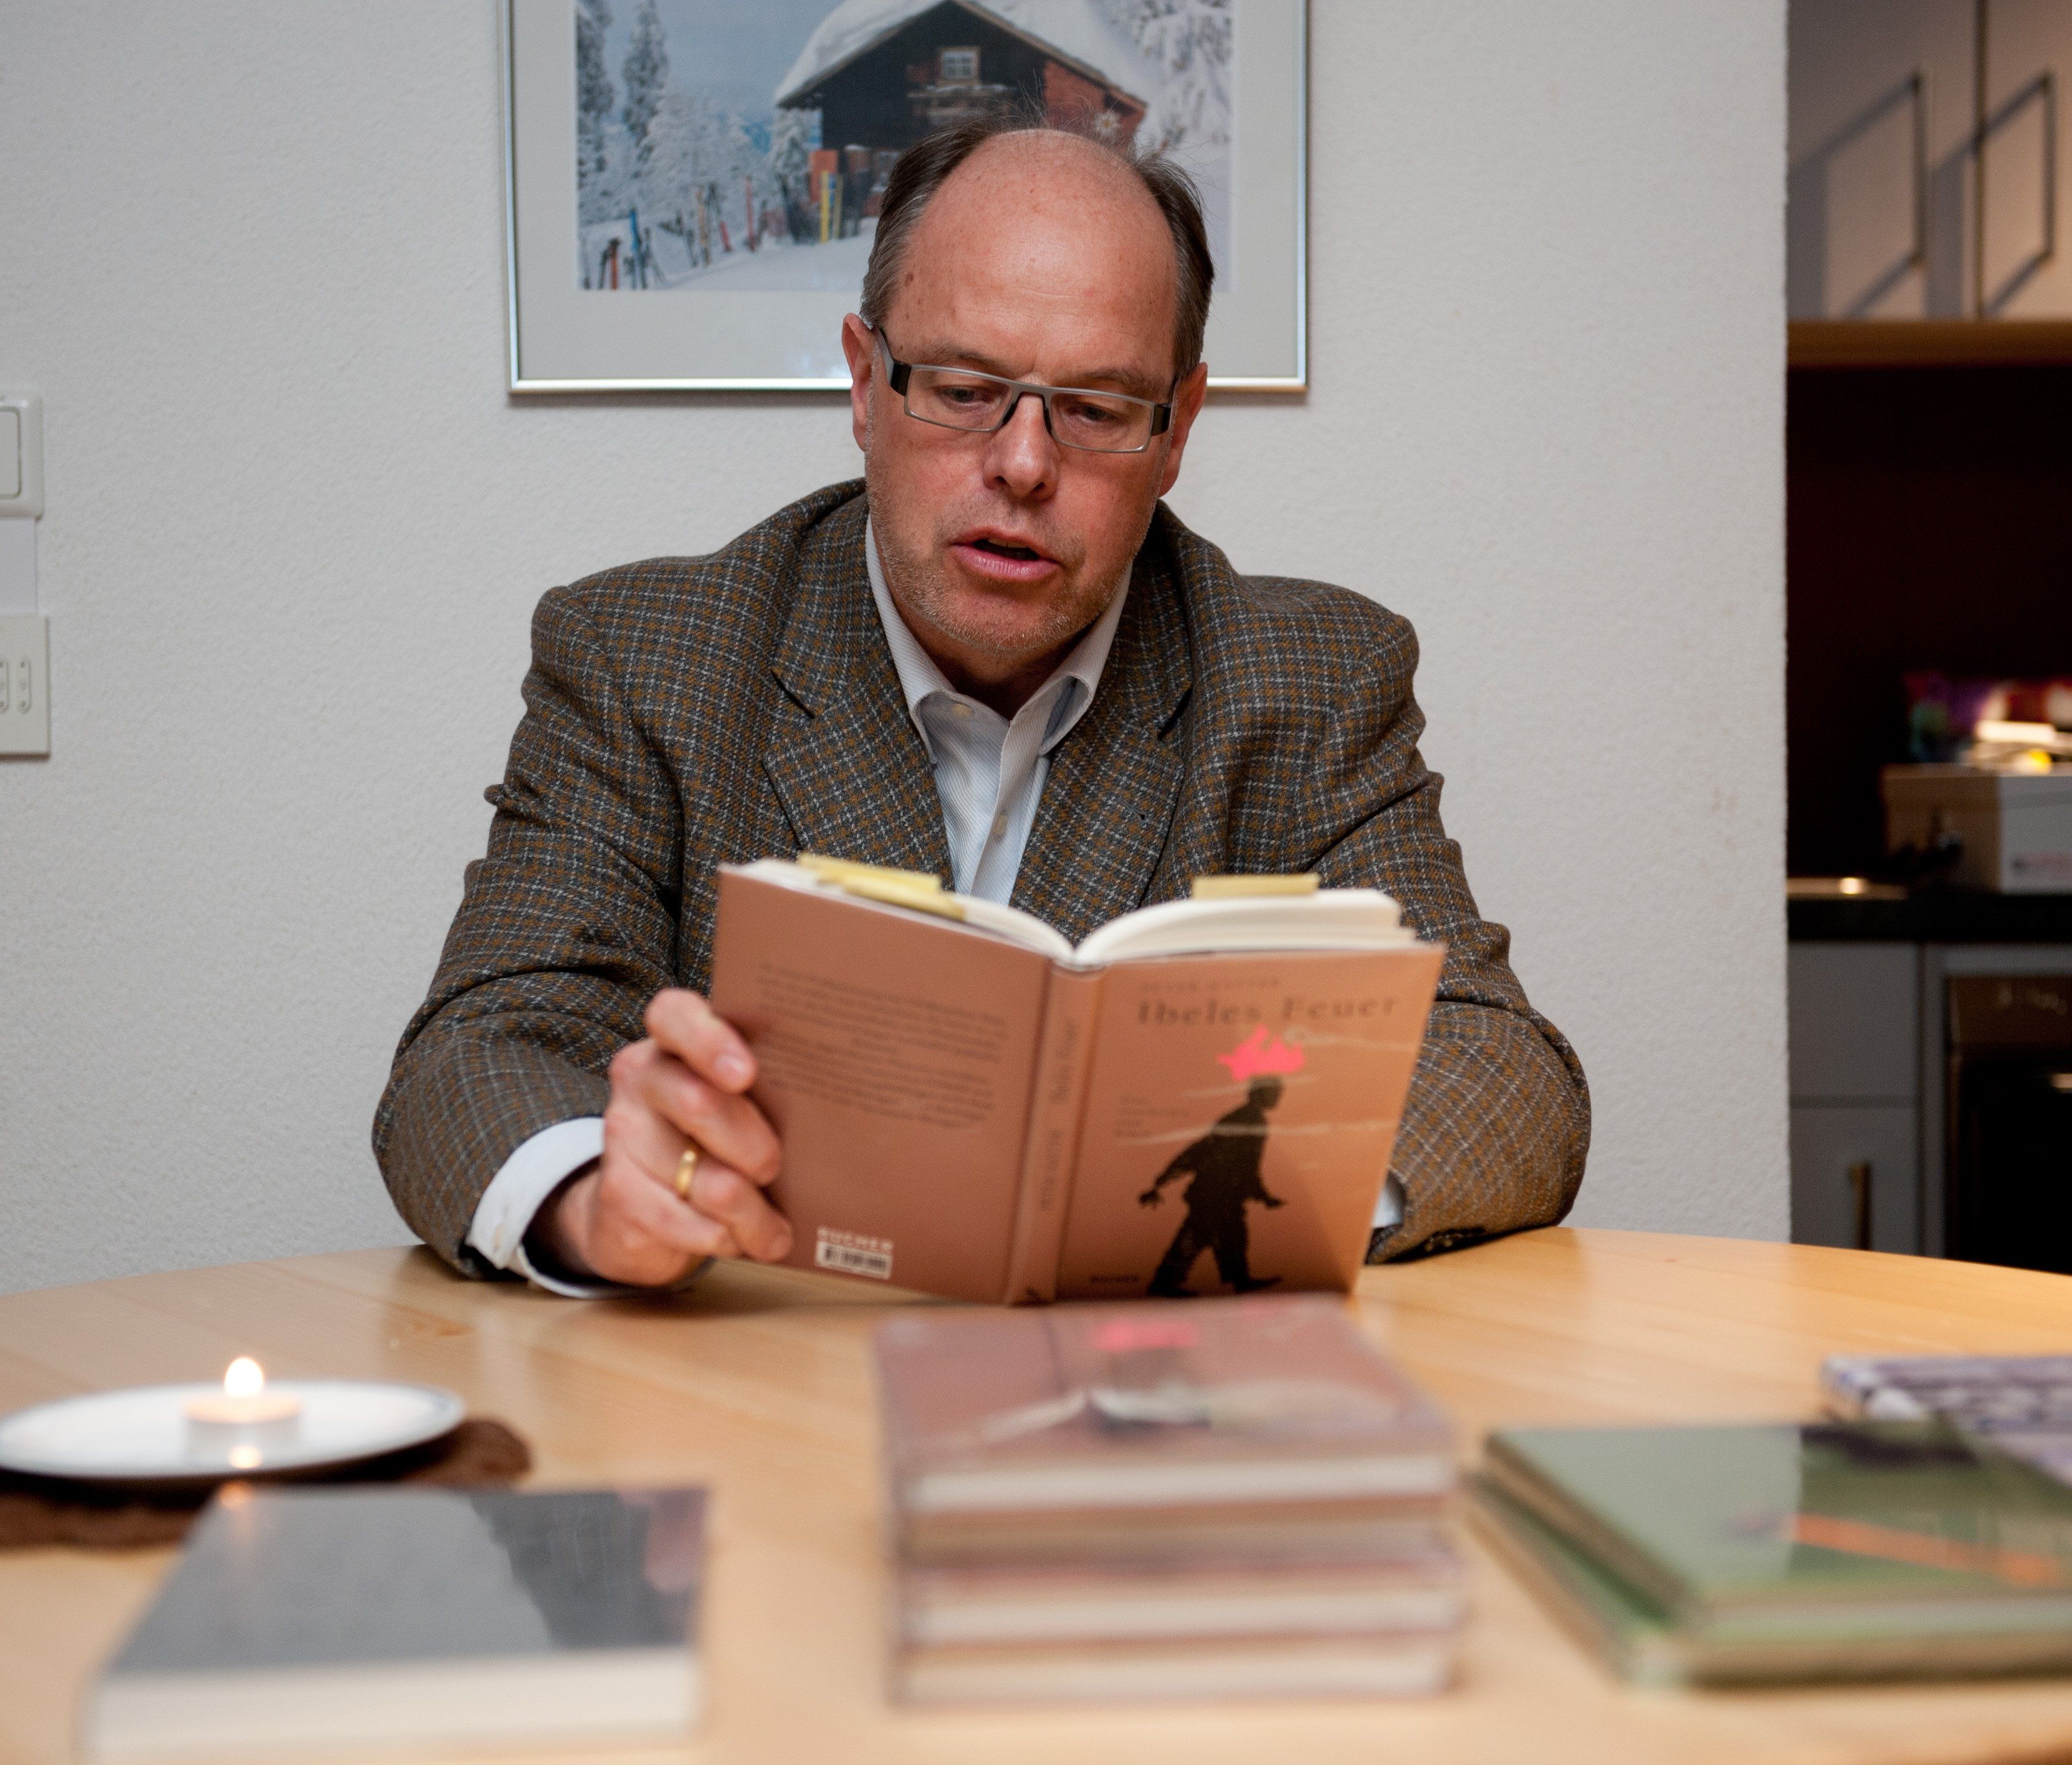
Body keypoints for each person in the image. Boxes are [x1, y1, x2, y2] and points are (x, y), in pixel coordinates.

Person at [373, 115, 1591, 1296]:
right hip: (774, 1374)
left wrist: (1222, 1197)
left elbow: (1503, 1071)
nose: (1022, 463)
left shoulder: (1309, 680)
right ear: (865, 383)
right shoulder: (648, 658)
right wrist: (597, 1198)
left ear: (1175, 434)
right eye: (963, 391)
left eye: (1097, 409)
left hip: (1149, 1392)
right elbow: (480, 1045)